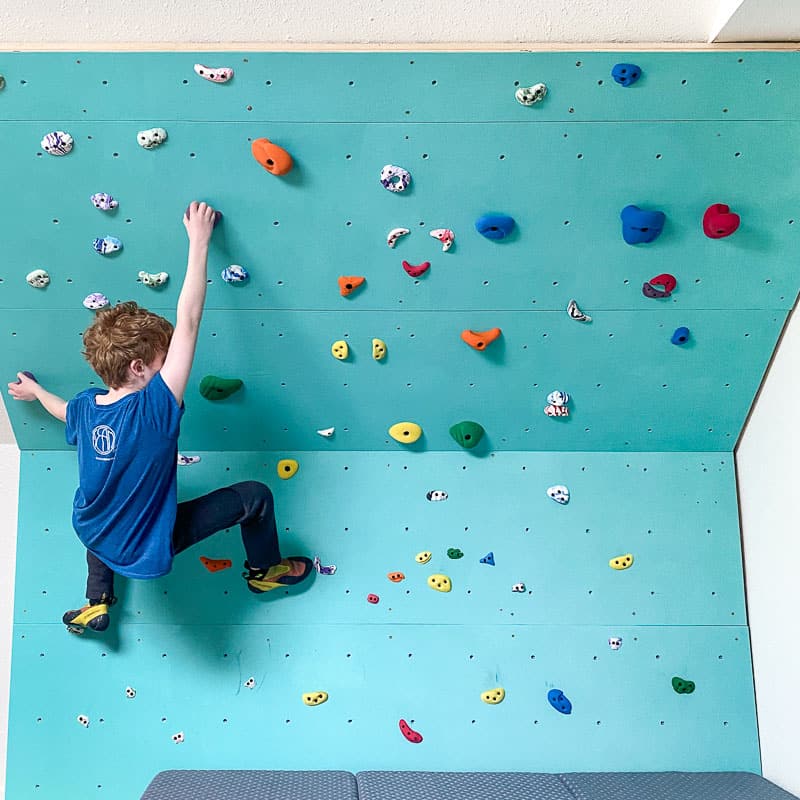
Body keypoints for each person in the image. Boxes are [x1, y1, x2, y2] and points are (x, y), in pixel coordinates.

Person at [7, 201, 313, 634]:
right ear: (138, 370)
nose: (170, 363)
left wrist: (36, 392)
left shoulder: (87, 407)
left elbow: (61, 411)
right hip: (149, 542)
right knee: (256, 495)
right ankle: (265, 571)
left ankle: (96, 600)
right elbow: (188, 320)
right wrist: (199, 242)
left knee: (102, 521)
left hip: (94, 528)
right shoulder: (154, 407)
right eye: (161, 359)